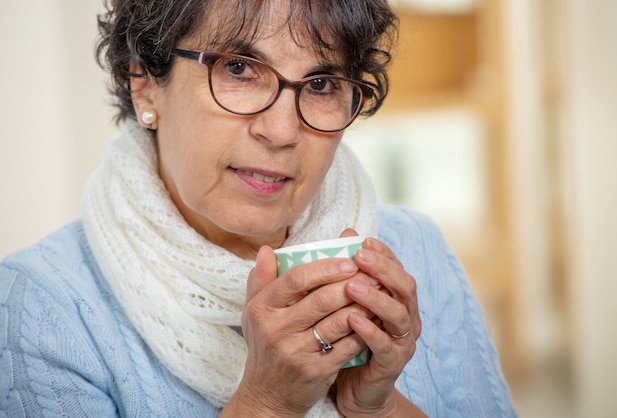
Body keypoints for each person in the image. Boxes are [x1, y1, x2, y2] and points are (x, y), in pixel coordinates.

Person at [0, 0, 518, 416]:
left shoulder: (414, 250)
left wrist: (374, 410)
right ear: (144, 83)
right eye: (240, 68)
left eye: (321, 84)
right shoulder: (44, 305)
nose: (282, 130)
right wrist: (268, 403)